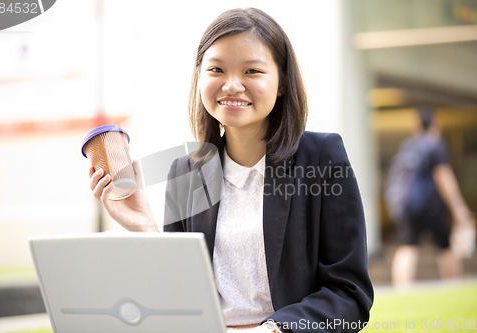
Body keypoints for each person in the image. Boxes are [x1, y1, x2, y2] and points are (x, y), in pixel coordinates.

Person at [89, 8, 373, 333]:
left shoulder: (321, 158)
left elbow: (351, 295)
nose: (232, 85)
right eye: (217, 69)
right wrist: (146, 228)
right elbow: (179, 298)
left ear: (281, 82)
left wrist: (273, 330)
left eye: (252, 70)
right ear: (200, 78)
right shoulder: (186, 173)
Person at [389, 106, 473, 289]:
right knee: (445, 246)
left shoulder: (407, 145)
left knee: (407, 248)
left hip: (408, 205)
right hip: (430, 204)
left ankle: (401, 292)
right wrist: (458, 207)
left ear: (417, 125)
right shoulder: (436, 144)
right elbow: (443, 177)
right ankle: (454, 287)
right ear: (435, 124)